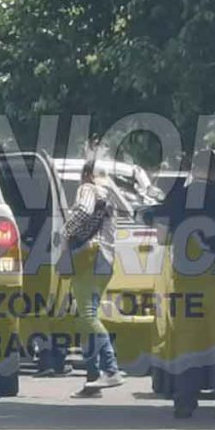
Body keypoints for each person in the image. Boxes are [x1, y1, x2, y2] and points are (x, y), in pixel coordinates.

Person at [153, 150, 215, 418]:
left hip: (186, 284)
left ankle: (184, 402)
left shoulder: (175, 197)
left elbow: (161, 238)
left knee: (188, 343)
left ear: (192, 170)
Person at [66, 160, 123, 398]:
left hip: (88, 257)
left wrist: (64, 231)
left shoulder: (89, 188)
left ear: (87, 174)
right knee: (85, 318)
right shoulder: (111, 194)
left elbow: (82, 211)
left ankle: (110, 368)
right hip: (106, 260)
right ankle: (93, 379)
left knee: (87, 315)